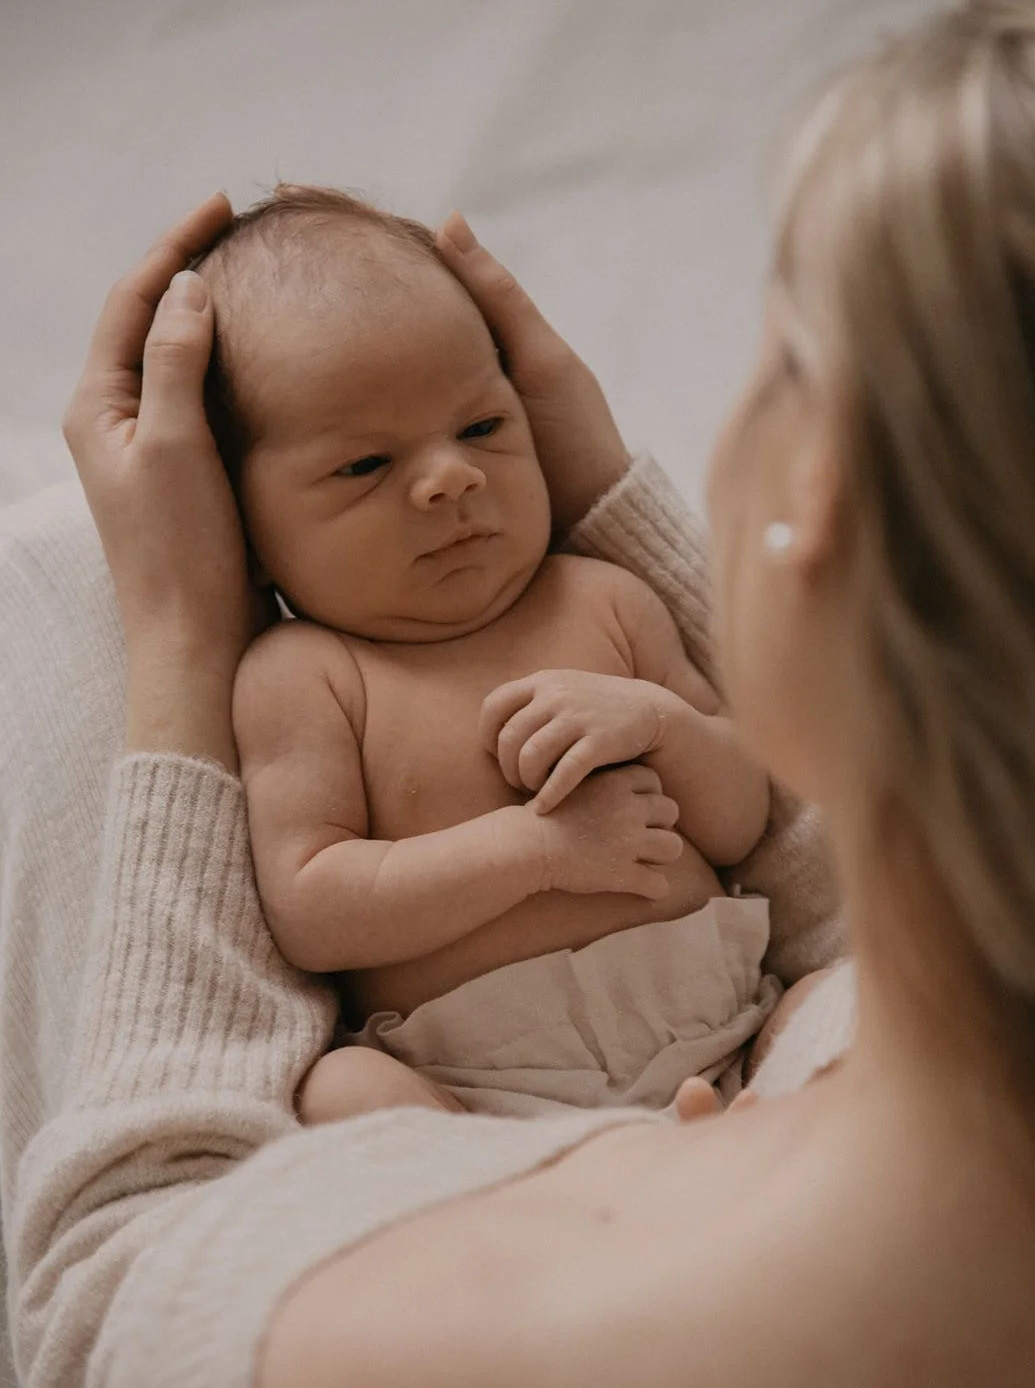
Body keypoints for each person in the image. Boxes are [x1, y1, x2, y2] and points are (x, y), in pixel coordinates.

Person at [4, 0, 1035, 1388]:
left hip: (609, 1101)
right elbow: (860, 871)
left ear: (817, 504)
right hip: (526, 1063)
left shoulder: (436, 1372)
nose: (462, 477)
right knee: (354, 1073)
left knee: (47, 568)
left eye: (781, 363)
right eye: (363, 466)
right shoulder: (888, 1014)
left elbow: (110, 1307)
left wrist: (175, 630)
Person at [195, 185, 779, 1123]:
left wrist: (662, 725)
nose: (451, 477)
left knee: (854, 1001)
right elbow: (314, 907)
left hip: (730, 1035)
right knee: (343, 1093)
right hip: (485, 1101)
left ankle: (773, 1144)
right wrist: (538, 851)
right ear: (247, 531)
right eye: (365, 465)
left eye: (481, 428)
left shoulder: (603, 598)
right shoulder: (307, 676)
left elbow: (743, 818)